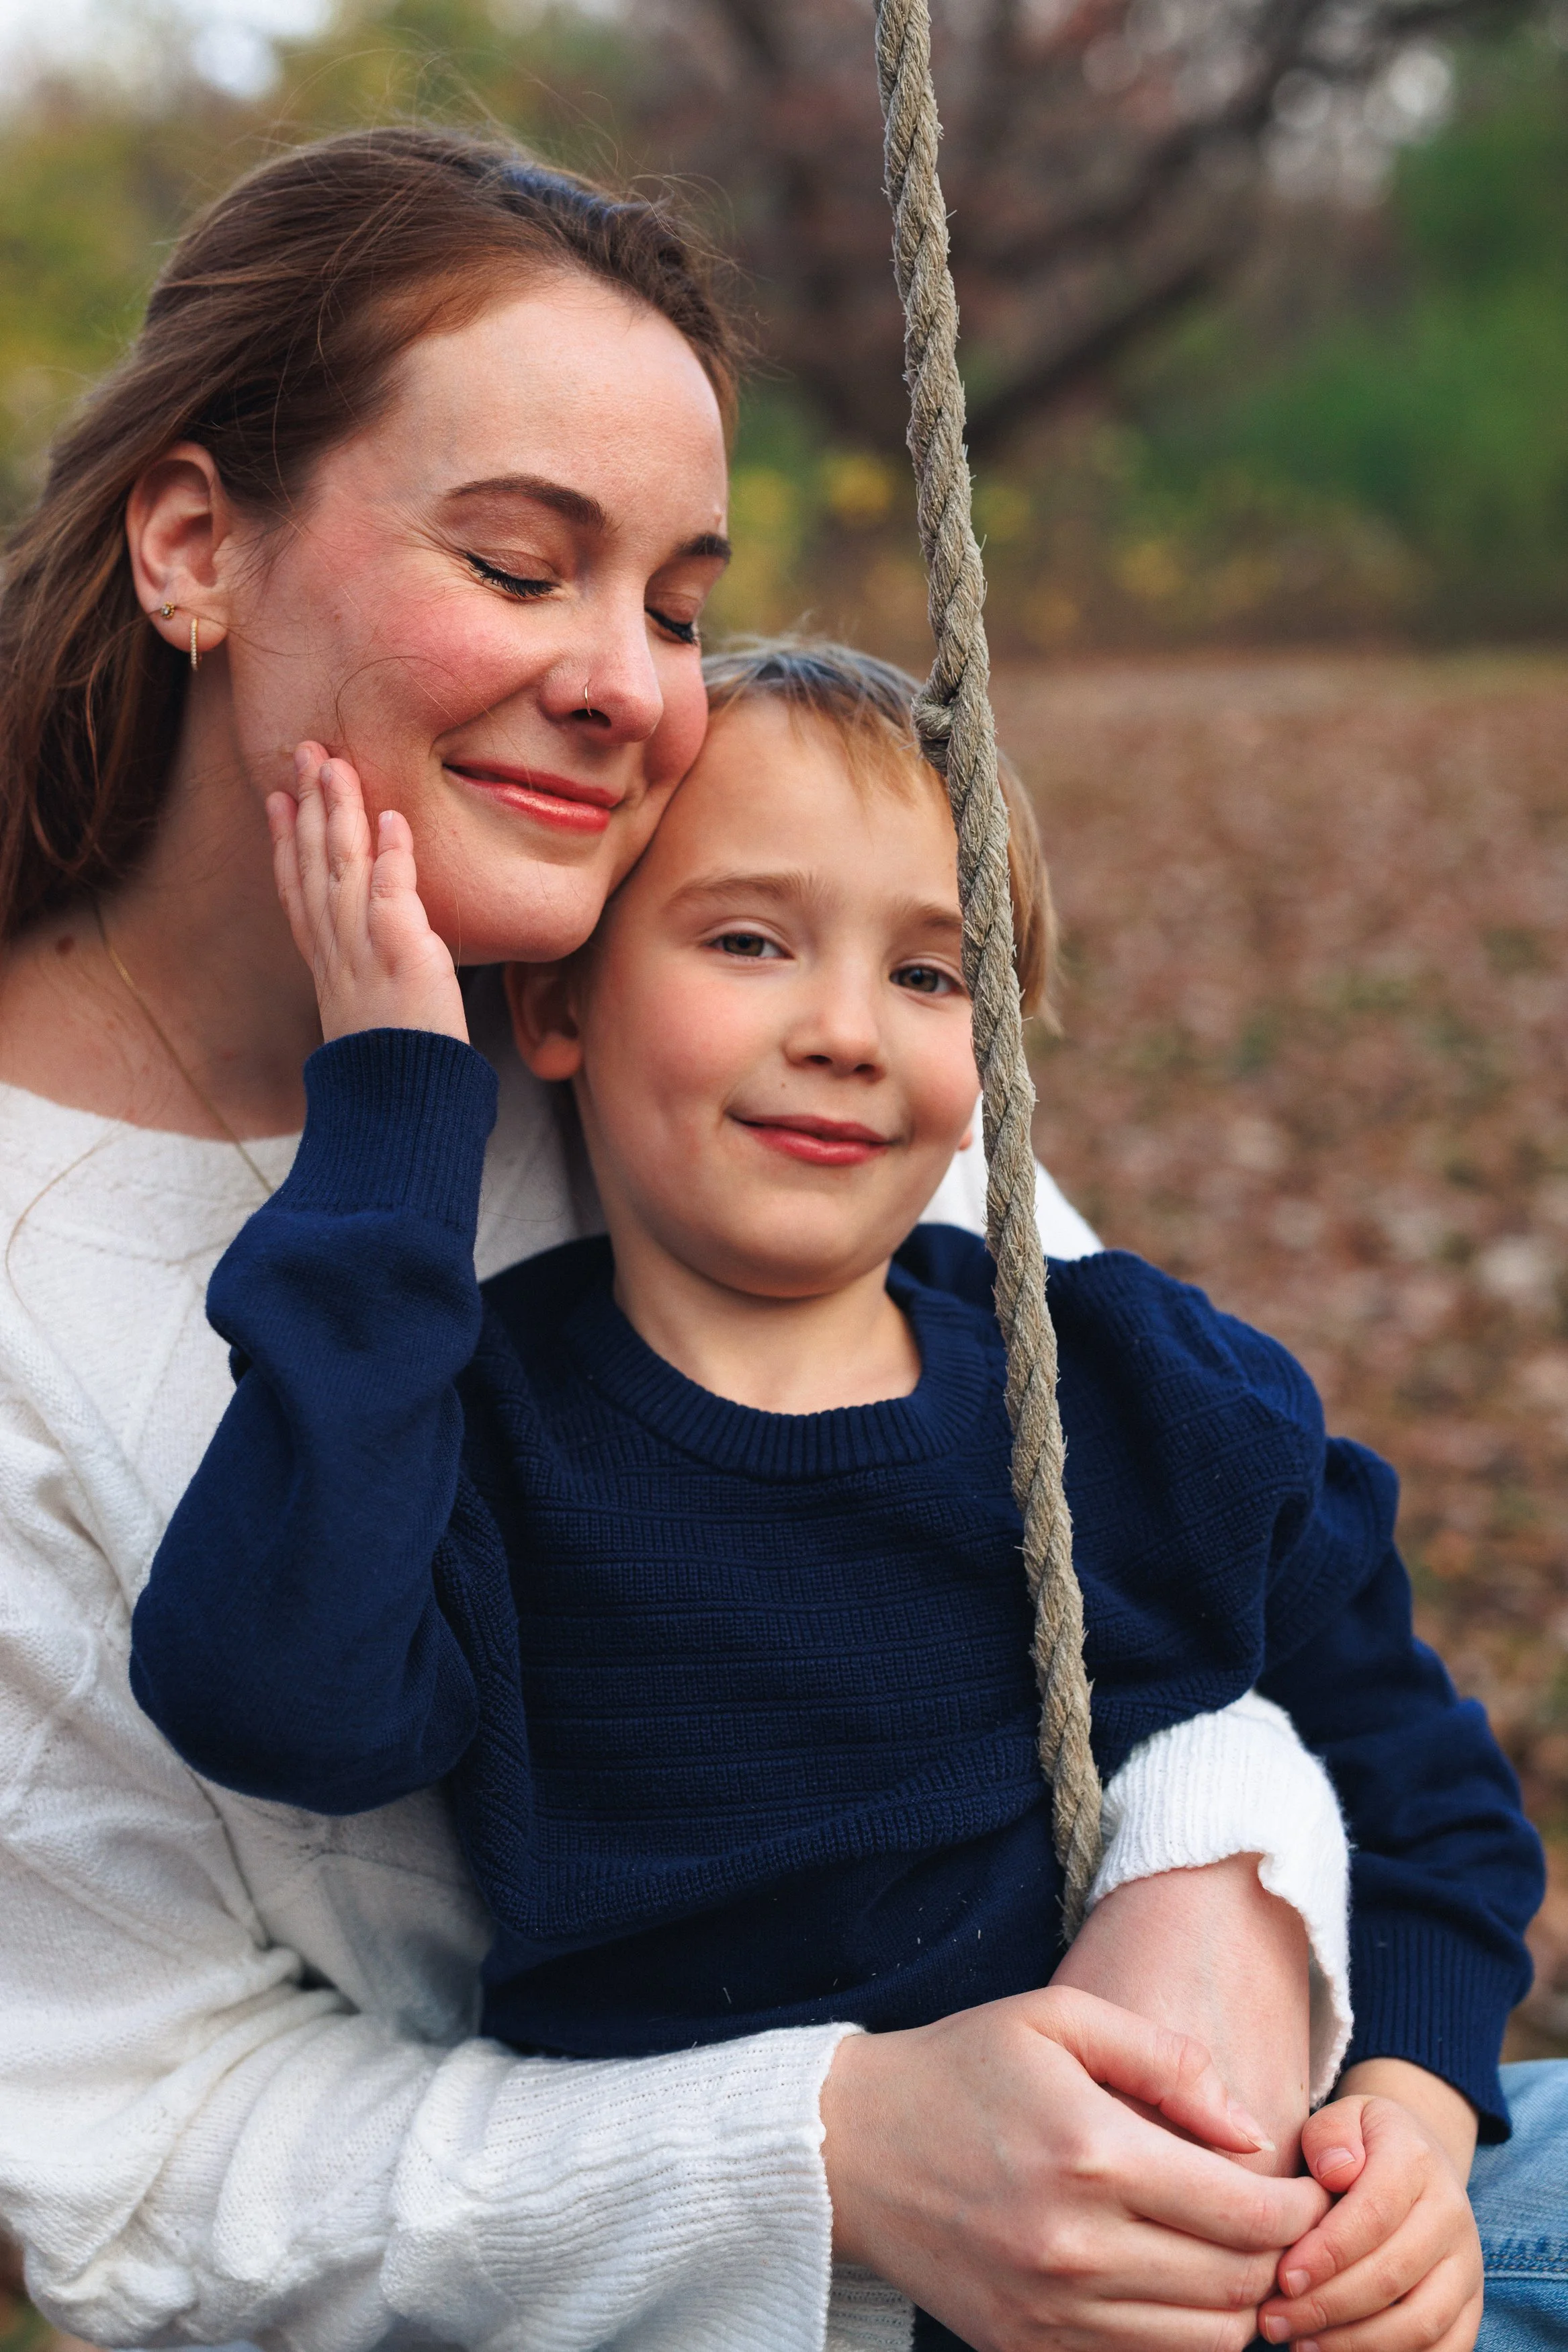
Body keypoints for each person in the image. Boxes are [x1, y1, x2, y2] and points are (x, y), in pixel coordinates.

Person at [0, 118, 1550, 2352]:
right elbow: (151, 2164)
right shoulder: (253, 1208)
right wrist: (841, 2147)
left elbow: (1217, 1600)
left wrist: (1243, 1915)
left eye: (680, 602)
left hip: (1266, 2204)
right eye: (523, 565)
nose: (635, 686)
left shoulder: (702, 1009)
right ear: (190, 545)